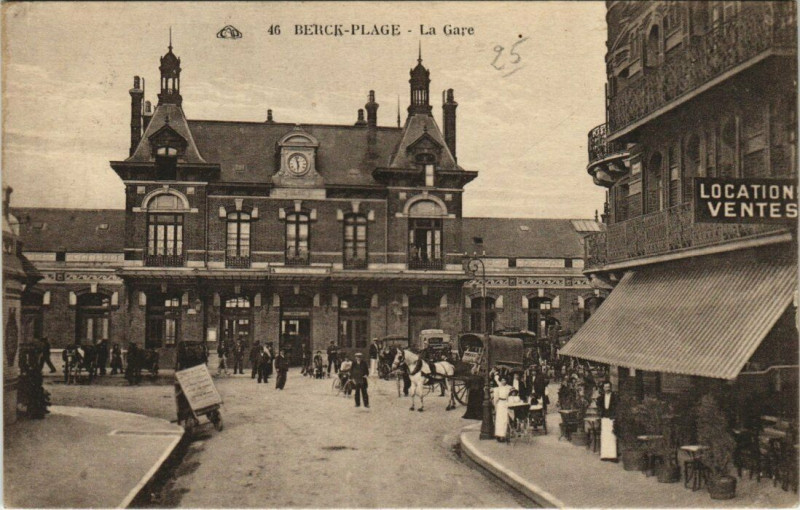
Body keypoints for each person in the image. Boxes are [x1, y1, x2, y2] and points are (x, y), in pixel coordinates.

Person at [597, 381, 618, 461]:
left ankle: (613, 456)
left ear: (611, 387)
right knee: (605, 436)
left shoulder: (614, 397)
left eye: (608, 387)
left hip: (611, 418)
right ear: (603, 388)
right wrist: (601, 413)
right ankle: (605, 455)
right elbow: (599, 407)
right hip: (604, 418)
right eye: (605, 387)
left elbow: (616, 407)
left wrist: (614, 416)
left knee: (612, 436)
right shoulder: (601, 398)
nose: (607, 389)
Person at [492, 375, 512, 442]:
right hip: (500, 404)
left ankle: (505, 435)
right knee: (499, 420)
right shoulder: (498, 389)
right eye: (502, 380)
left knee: (505, 420)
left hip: (506, 404)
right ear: (500, 381)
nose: (504, 382)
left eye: (505, 380)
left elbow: (511, 396)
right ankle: (499, 435)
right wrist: (495, 407)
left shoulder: (509, 388)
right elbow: (495, 399)